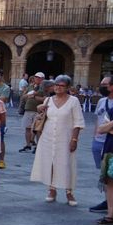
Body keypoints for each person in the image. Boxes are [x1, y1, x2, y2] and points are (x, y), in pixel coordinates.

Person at [30, 74, 85, 206]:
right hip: (48, 137)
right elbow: (43, 116)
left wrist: (74, 139)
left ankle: (69, 191)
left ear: (67, 87)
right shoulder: (48, 100)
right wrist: (39, 109)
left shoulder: (73, 101)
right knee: (50, 163)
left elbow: (78, 122)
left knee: (67, 163)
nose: (58, 87)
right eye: (56, 85)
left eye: (61, 85)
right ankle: (52, 189)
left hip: (65, 137)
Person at [91, 75, 113, 213]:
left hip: (112, 143)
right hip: (99, 142)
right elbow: (98, 120)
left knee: (112, 174)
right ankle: (108, 201)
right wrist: (95, 136)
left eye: (104, 84)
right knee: (104, 173)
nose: (102, 87)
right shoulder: (101, 101)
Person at [19, 72, 45, 152]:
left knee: (38, 129)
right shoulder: (30, 86)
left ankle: (38, 146)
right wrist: (27, 96)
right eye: (36, 77)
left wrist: (34, 96)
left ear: (42, 79)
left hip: (38, 111)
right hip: (28, 109)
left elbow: (46, 99)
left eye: (39, 78)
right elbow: (23, 96)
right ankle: (28, 145)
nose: (37, 79)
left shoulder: (44, 88)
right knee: (27, 128)